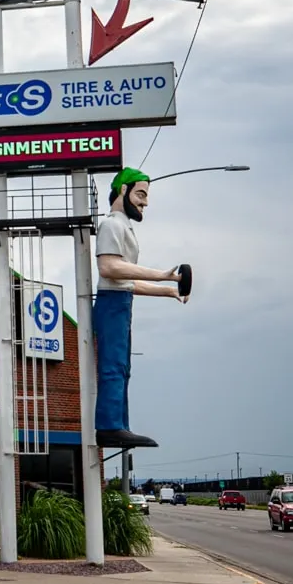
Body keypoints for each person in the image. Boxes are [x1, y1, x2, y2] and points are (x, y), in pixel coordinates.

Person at [93, 166, 187, 449]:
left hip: (122, 301)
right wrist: (161, 274)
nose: (145, 202)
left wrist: (169, 290)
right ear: (124, 190)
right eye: (141, 194)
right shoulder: (111, 225)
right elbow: (109, 267)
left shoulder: (125, 228)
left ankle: (120, 424)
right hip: (111, 304)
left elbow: (128, 281)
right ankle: (109, 425)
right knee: (112, 365)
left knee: (122, 367)